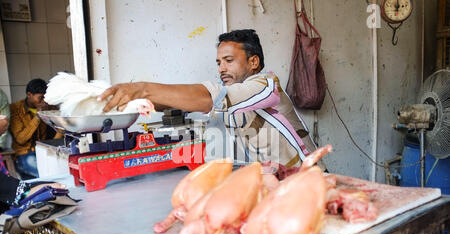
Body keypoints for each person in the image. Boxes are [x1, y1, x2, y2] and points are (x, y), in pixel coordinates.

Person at [99, 29, 325, 173]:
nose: (222, 69)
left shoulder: (266, 86)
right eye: (219, 62)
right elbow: (188, 103)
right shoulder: (233, 98)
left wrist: (143, 89)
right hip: (279, 180)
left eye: (228, 60)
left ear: (253, 62)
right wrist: (141, 102)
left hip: (309, 175)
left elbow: (211, 98)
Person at [9, 79, 62, 180]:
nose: (43, 101)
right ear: (29, 94)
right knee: (45, 177)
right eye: (40, 98)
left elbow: (60, 129)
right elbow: (21, 139)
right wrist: (38, 116)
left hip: (44, 151)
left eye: (45, 98)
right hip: (24, 154)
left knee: (57, 173)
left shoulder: (50, 107)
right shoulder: (15, 109)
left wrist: (48, 114)